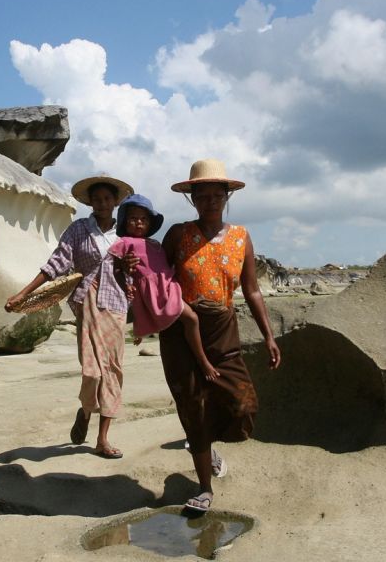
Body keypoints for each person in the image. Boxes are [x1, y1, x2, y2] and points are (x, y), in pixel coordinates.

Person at [159, 159, 282, 512]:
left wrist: (269, 336)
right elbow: (157, 279)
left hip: (223, 327)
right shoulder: (178, 234)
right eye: (203, 195)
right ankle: (204, 487)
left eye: (217, 195)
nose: (210, 201)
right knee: (192, 405)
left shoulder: (241, 238)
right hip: (181, 331)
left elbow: (253, 290)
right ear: (192, 199)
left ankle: (207, 443)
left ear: (227, 197)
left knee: (243, 402)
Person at [5, 175, 133, 459]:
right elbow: (55, 264)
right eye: (97, 199)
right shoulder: (79, 230)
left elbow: (137, 273)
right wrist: (23, 294)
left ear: (116, 202)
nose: (102, 203)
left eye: (107, 199)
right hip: (86, 302)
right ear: (91, 202)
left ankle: (102, 439)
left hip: (116, 306)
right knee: (92, 372)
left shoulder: (126, 233)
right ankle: (86, 410)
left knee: (112, 371)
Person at [106, 194, 220, 382]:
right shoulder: (124, 242)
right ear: (125, 222)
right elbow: (112, 267)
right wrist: (124, 266)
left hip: (169, 286)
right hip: (157, 294)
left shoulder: (154, 243)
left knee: (190, 318)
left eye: (144, 219)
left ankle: (143, 330)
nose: (139, 223)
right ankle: (203, 361)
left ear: (150, 223)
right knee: (191, 319)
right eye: (133, 219)